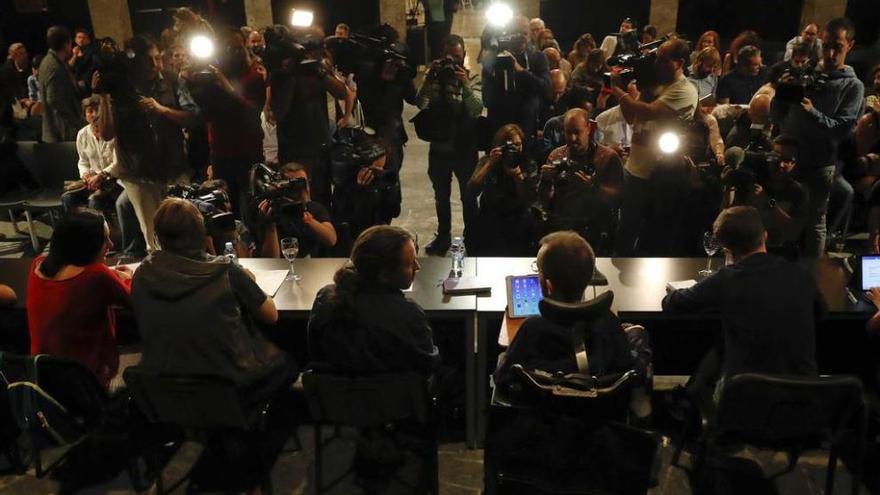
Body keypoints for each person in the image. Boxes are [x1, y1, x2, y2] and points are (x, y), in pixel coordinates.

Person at [133, 198, 295, 403]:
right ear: (201, 233)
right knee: (290, 360)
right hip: (229, 385)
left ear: (158, 236)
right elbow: (271, 315)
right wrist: (249, 282)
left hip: (166, 385)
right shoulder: (226, 271)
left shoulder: (142, 273)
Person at [663, 206, 824, 401]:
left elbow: (673, 303)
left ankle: (689, 402)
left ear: (726, 249)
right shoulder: (801, 274)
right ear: (764, 236)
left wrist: (673, 293)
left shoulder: (726, 279)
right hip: (805, 398)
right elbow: (821, 313)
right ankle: (690, 394)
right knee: (723, 342)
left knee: (722, 344)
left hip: (745, 399)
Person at [494, 231, 650, 417]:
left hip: (543, 427)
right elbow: (630, 368)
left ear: (548, 285)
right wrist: (634, 337)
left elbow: (501, 378)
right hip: (597, 428)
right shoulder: (608, 324)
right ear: (589, 278)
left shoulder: (533, 328)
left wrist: (504, 357)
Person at [95, 34, 199, 253]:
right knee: (154, 240)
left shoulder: (171, 80)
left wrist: (161, 109)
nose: (155, 64)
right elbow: (106, 133)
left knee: (187, 229)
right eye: (148, 60)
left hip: (173, 166)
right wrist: (104, 96)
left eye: (157, 58)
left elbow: (192, 116)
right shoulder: (121, 87)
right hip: (138, 171)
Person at [770, 17, 864, 257]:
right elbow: (777, 115)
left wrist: (813, 113)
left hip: (818, 163)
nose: (831, 53)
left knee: (814, 222)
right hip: (786, 157)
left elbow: (842, 129)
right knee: (773, 214)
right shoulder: (805, 73)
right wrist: (781, 94)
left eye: (838, 47)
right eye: (828, 45)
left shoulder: (853, 86)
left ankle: (811, 278)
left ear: (850, 45)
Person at [308, 225, 439, 372]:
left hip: (333, 393)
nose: (417, 267)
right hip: (394, 394)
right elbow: (427, 363)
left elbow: (314, 352)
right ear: (385, 274)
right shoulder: (408, 314)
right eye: (410, 264)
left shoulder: (325, 299)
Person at [610, 38, 698, 255]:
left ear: (679, 62)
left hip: (660, 175)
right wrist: (634, 94)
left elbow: (647, 112)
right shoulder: (653, 85)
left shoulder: (684, 90)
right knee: (625, 230)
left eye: (663, 60)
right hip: (634, 169)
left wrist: (618, 90)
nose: (657, 65)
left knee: (655, 235)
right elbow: (633, 118)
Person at [26, 209, 131, 389]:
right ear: (87, 245)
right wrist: (126, 276)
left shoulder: (39, 263)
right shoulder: (97, 276)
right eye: (104, 239)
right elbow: (133, 300)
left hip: (43, 371)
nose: (111, 245)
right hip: (85, 377)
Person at [185, 26, 265, 216]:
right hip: (221, 152)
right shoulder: (211, 77)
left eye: (238, 48)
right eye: (229, 49)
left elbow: (252, 111)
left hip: (248, 151)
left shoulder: (254, 76)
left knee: (252, 205)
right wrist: (191, 83)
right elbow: (204, 112)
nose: (235, 53)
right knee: (224, 206)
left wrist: (228, 88)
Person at [417, 34, 482, 255]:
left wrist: (464, 85)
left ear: (464, 55)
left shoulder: (472, 78)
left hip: (465, 149)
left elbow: (475, 109)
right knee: (441, 197)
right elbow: (420, 103)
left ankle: (472, 237)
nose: (453, 61)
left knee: (468, 196)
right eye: (449, 57)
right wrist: (428, 79)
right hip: (439, 149)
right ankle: (443, 236)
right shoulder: (434, 79)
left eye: (457, 56)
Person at [269, 29, 348, 206]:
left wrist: (320, 72)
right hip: (295, 151)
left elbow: (342, 92)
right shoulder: (282, 73)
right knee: (297, 202)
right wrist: (292, 73)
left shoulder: (318, 71)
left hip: (320, 147)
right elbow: (280, 112)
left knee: (322, 200)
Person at [540, 109, 623, 254]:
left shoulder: (607, 157)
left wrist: (594, 187)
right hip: (563, 226)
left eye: (576, 132)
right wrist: (545, 181)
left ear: (589, 128)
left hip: (595, 228)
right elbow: (546, 202)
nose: (572, 138)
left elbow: (618, 198)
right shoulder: (556, 155)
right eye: (568, 132)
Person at [723, 135, 809, 250]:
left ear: (796, 163)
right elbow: (726, 215)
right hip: (745, 250)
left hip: (779, 254)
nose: (780, 164)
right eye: (776, 157)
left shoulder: (798, 193)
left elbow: (793, 233)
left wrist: (768, 201)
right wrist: (729, 186)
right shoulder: (751, 180)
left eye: (787, 160)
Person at [468, 124, 539, 256]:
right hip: (491, 219)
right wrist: (490, 163)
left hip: (518, 220)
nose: (514, 149)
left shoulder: (527, 163)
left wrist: (517, 177)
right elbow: (472, 190)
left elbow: (529, 199)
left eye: (518, 144)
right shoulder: (489, 162)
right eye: (510, 146)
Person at [481, 15, 550, 139]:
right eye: (516, 33)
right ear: (507, 33)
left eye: (524, 33)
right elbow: (486, 98)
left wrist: (520, 71)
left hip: (527, 128)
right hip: (500, 127)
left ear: (529, 34)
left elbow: (545, 88)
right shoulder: (492, 59)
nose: (520, 38)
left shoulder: (537, 57)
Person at [254, 162, 337, 258]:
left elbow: (331, 240)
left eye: (302, 183)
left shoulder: (314, 208)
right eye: (293, 184)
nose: (300, 188)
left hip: (310, 265)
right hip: (280, 267)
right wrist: (270, 226)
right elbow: (271, 259)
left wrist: (310, 221)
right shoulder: (271, 210)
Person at [61, 95, 119, 213]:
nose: (95, 114)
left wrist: (101, 176)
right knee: (68, 198)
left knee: (95, 201)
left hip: (114, 181)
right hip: (92, 182)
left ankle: (102, 229)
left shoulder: (114, 132)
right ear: (85, 115)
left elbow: (119, 163)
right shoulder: (82, 134)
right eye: (90, 111)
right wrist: (86, 175)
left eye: (98, 110)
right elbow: (83, 161)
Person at [39, 26, 84, 142]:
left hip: (59, 130)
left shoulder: (49, 61)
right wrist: (75, 122)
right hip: (61, 132)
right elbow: (54, 99)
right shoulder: (53, 66)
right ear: (66, 44)